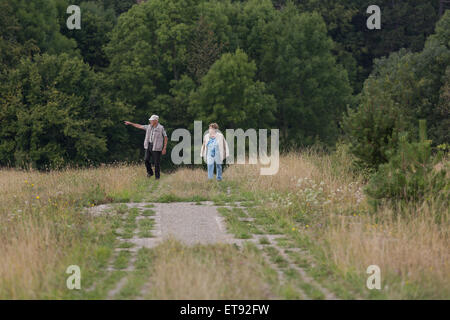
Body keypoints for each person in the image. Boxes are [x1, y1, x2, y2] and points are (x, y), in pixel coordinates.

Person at [124, 115, 168, 179]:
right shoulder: (148, 127)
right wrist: (131, 123)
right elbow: (139, 126)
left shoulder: (161, 128)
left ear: (156, 121)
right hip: (148, 146)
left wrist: (164, 148)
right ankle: (150, 173)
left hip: (157, 147)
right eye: (150, 120)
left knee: (156, 163)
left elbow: (166, 137)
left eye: (152, 120)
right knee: (146, 160)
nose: (150, 121)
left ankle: (157, 178)